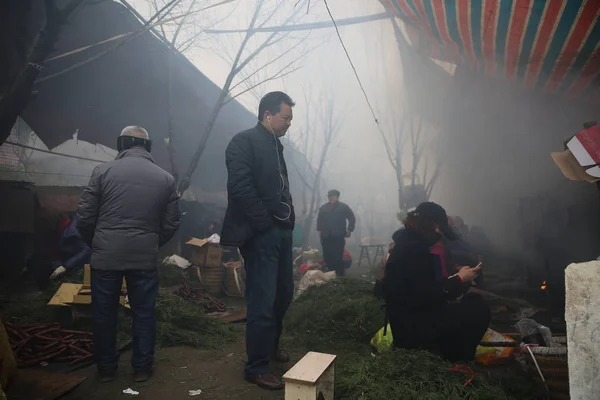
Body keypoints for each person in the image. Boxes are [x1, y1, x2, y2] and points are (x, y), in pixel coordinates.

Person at [77, 126, 181, 383]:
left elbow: (84, 217)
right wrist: (152, 243)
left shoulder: (102, 172)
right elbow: (172, 223)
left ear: (122, 144)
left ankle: (106, 369)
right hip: (143, 257)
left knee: (104, 313)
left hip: (105, 256)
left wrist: (98, 243)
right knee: (143, 312)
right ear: (148, 146)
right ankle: (142, 368)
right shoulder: (165, 179)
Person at [220, 92, 296, 391]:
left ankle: (270, 347)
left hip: (282, 232)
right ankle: (256, 367)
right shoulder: (243, 142)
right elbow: (240, 187)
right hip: (261, 233)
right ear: (268, 114)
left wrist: (288, 223)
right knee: (262, 300)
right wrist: (264, 223)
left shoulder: (276, 147)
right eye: (285, 117)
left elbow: (281, 189)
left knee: (284, 294)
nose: (289, 123)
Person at [383, 202, 490, 362]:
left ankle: (446, 351)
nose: (440, 236)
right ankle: (457, 362)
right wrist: (460, 279)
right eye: (438, 230)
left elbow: (424, 284)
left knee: (472, 301)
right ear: (425, 225)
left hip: (412, 319)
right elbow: (429, 295)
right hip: (411, 330)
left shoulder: (410, 243)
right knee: (478, 310)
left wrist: (457, 275)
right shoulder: (412, 250)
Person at [316, 190, 356, 276]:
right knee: (327, 255)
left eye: (334, 196)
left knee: (338, 255)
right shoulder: (323, 208)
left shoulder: (343, 207)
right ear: (328, 197)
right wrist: (320, 230)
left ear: (337, 197)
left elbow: (352, 218)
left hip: (339, 235)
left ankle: (339, 274)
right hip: (326, 236)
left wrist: (349, 230)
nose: (332, 198)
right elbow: (319, 220)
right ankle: (330, 273)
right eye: (330, 196)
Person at [49, 214, 92, 280]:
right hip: (66, 264)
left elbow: (86, 250)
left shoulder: (73, 230)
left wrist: (65, 266)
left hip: (78, 268)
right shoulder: (62, 225)